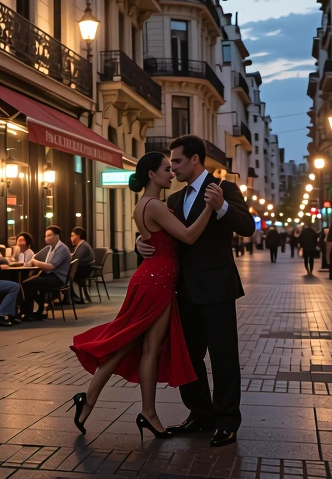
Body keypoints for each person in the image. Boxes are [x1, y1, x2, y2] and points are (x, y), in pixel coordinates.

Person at [69, 152, 223, 439]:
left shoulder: (145, 204)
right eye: (166, 169)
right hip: (157, 283)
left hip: (153, 279)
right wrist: (210, 208)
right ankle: (146, 412)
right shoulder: (154, 205)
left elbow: (157, 238)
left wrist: (142, 242)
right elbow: (188, 236)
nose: (171, 173)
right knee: (145, 348)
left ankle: (94, 402)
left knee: (129, 345)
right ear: (152, 175)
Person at [137, 135, 254, 447]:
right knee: (188, 357)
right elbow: (167, 239)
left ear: (195, 160)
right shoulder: (174, 200)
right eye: (170, 163)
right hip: (183, 291)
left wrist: (223, 206)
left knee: (223, 357)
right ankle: (201, 413)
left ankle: (227, 421)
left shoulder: (224, 188)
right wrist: (142, 244)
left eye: (176, 161)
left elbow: (247, 226)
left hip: (217, 288)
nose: (172, 168)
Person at [20, 226, 70, 321]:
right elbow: (35, 256)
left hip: (57, 279)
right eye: (45, 236)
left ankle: (30, 312)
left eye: (49, 235)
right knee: (25, 283)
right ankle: (37, 308)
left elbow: (51, 267)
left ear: (56, 236)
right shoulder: (50, 248)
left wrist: (34, 262)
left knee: (28, 284)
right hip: (50, 276)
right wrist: (31, 261)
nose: (46, 238)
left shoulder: (62, 249)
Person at [70, 227, 95, 304]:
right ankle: (70, 296)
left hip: (82, 272)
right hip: (83, 270)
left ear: (79, 236)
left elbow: (76, 259)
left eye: (72, 235)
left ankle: (71, 297)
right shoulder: (82, 245)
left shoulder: (83, 246)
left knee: (63, 275)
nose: (71, 238)